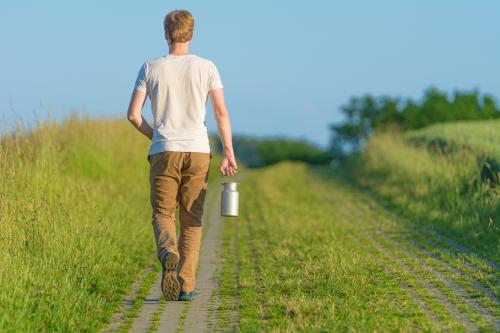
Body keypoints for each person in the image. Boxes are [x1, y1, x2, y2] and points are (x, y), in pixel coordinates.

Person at [126, 9, 237, 302]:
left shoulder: (150, 68)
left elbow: (133, 115)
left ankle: (168, 251)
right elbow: (221, 112)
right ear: (192, 34)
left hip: (164, 150)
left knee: (163, 213)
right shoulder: (207, 67)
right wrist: (228, 151)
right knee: (192, 220)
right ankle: (186, 285)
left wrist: (157, 137)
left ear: (165, 34)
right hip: (198, 150)